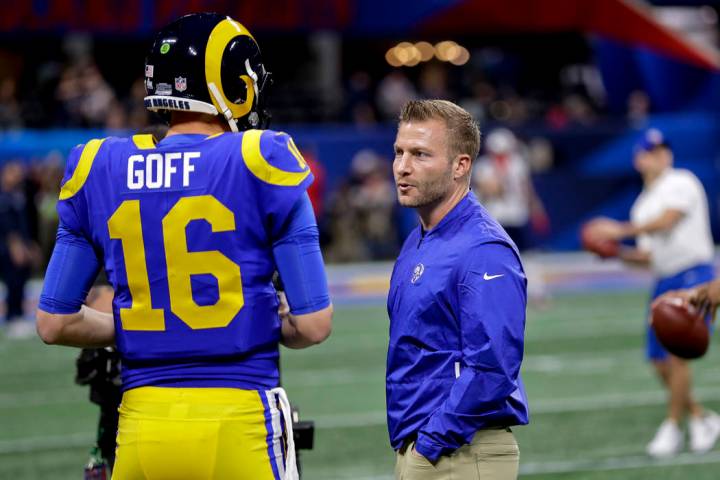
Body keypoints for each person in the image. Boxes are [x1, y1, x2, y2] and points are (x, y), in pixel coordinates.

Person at [35, 13, 332, 480]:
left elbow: (54, 322)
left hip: (142, 425)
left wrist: (149, 324)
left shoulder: (99, 164)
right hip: (242, 418)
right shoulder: (261, 158)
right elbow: (313, 325)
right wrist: (249, 315)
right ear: (234, 84)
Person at [386, 99, 529, 480]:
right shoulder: (419, 239)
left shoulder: (483, 250)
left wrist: (431, 442)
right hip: (427, 448)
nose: (402, 166)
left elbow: (494, 366)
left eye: (420, 154)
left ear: (460, 165)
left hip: (461, 451)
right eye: (399, 152)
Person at [598, 128, 720, 457]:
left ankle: (671, 427)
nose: (659, 155)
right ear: (640, 159)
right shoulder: (642, 204)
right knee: (658, 361)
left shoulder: (680, 180)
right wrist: (616, 253)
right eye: (651, 151)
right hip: (664, 280)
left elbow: (668, 221)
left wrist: (619, 230)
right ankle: (700, 417)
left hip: (695, 274)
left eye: (662, 149)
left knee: (677, 355)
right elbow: (649, 255)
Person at [472, 127, 549, 251]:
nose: (501, 158)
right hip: (495, 215)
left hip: (516, 214)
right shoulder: (483, 166)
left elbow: (527, 189)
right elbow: (484, 191)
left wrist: (536, 210)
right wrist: (494, 185)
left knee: (521, 251)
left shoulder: (518, 163)